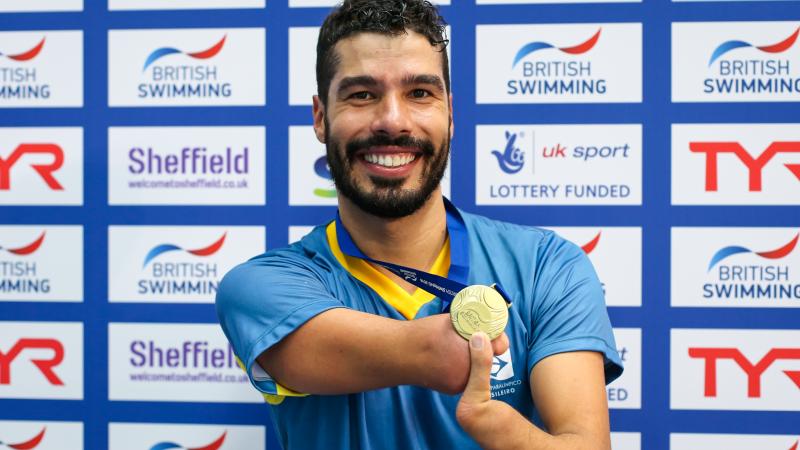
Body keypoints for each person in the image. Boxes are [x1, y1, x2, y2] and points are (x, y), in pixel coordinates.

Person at [215, 0, 623, 448]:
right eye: (362, 94)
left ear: (450, 113)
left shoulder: (548, 267)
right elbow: (430, 353)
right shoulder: (261, 286)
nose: (393, 120)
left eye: (420, 93)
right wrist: (451, 349)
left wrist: (496, 424)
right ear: (320, 117)